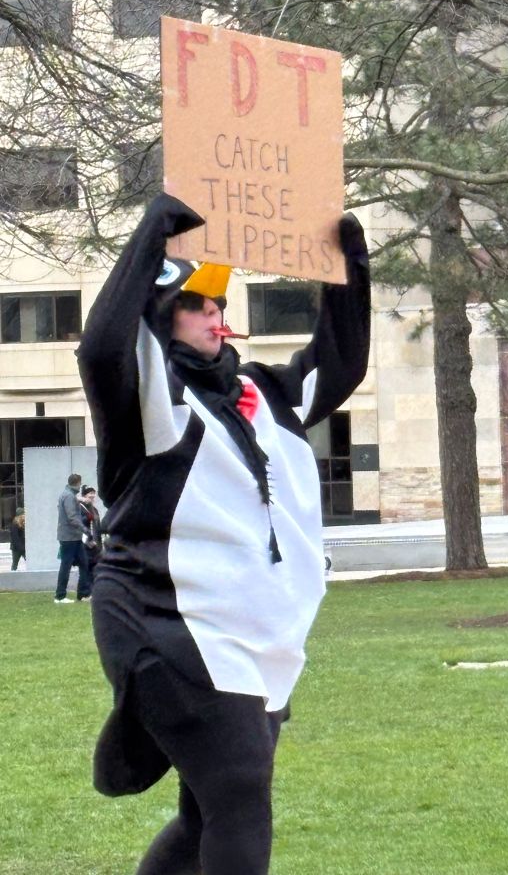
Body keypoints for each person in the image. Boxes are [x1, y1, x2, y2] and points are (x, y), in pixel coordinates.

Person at [77, 193, 370, 875]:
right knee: (240, 797)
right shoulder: (153, 400)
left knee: (205, 814)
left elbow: (340, 365)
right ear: (162, 316)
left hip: (251, 640)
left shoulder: (262, 394)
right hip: (168, 623)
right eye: (197, 304)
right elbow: (99, 348)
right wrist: (154, 230)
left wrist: (348, 271)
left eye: (219, 305)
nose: (217, 315)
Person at [54, 472, 92, 603]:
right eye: (80, 483)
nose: (80, 486)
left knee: (83, 563)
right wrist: (85, 529)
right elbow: (72, 517)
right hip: (69, 537)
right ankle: (60, 596)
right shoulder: (69, 496)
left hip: (72, 537)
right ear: (77, 483)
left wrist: (81, 499)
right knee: (66, 565)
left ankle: (83, 593)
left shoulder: (67, 494)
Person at [79, 485, 103, 575]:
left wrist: (100, 545)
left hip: (96, 548)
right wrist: (88, 541)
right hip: (85, 546)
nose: (93, 496)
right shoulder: (80, 509)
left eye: (94, 493)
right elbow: (78, 527)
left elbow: (97, 528)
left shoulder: (95, 510)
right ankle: (84, 589)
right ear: (84, 496)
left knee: (95, 572)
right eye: (90, 493)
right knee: (85, 573)